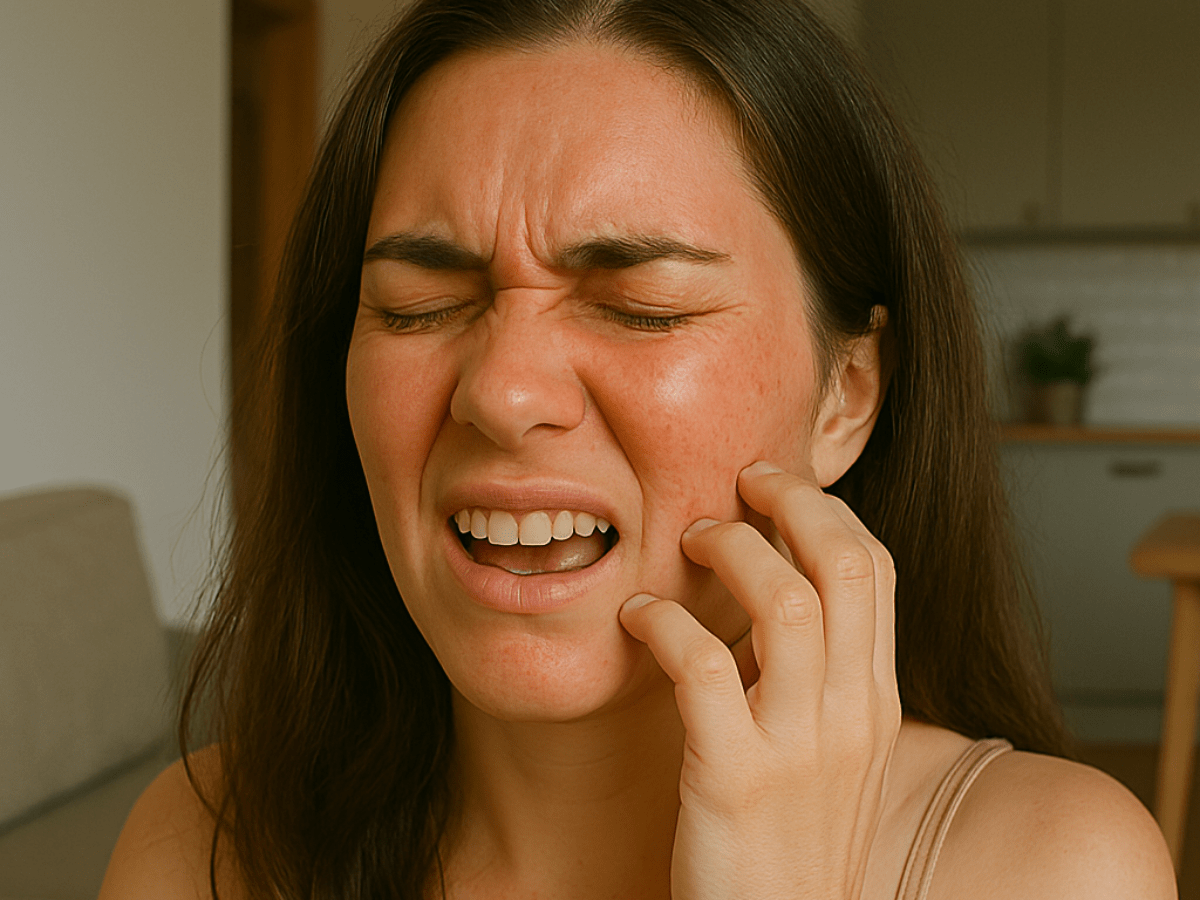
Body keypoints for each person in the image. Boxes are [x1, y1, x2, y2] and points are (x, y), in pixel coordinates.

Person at [100, 1, 1175, 897]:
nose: (503, 392)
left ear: (847, 393)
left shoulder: (1052, 867)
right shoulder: (196, 850)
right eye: (420, 304)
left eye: (642, 305)